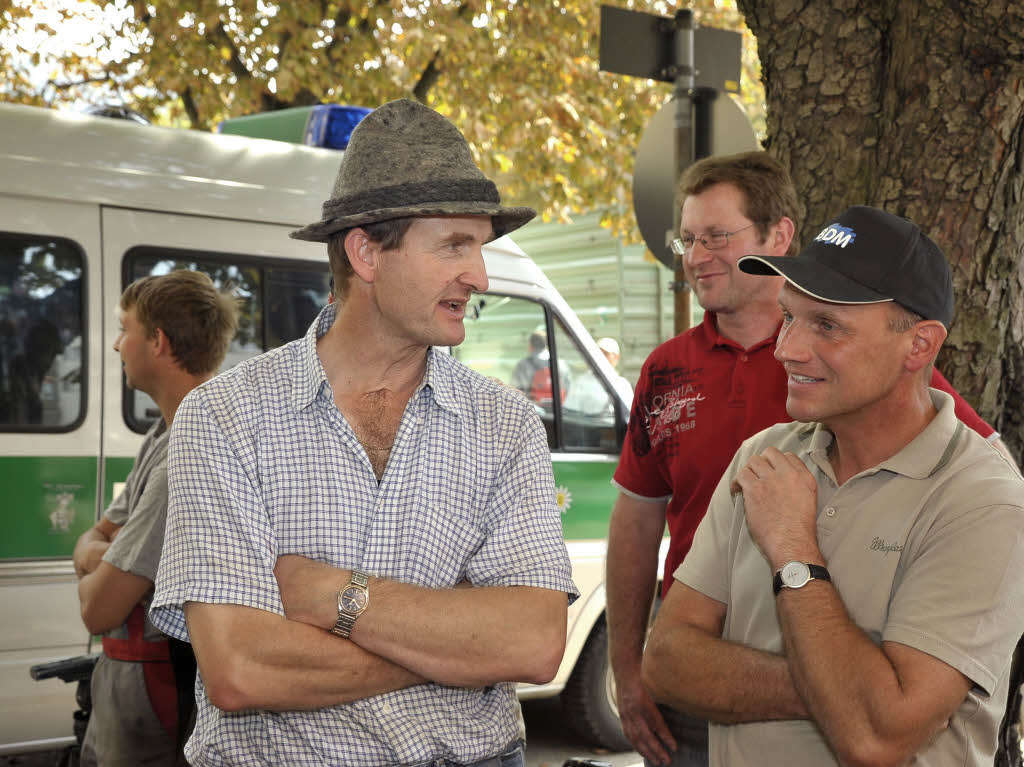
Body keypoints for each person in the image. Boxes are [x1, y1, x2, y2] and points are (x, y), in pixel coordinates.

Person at [149, 99, 577, 767]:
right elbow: (239, 668)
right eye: (455, 245)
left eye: (480, 245)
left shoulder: (506, 423)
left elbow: (534, 643)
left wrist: (332, 597)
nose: (480, 275)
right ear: (367, 252)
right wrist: (457, 645)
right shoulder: (225, 417)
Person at [605, 151, 1017, 767]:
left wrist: (795, 551)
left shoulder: (983, 499)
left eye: (826, 326)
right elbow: (667, 662)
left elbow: (878, 737)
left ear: (919, 345)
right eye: (790, 318)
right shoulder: (765, 454)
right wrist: (845, 689)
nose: (788, 349)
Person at [73, 270, 239, 767]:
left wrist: (98, 558)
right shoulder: (163, 434)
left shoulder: (186, 456)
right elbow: (99, 536)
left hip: (156, 689)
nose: (118, 344)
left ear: (159, 341)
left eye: (125, 329)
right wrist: (104, 552)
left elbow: (98, 608)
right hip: (128, 683)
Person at [512, 327, 572, 407]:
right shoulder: (560, 363)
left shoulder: (523, 365)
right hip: (557, 410)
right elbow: (567, 387)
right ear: (546, 345)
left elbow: (515, 391)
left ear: (530, 346)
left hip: (534, 412)